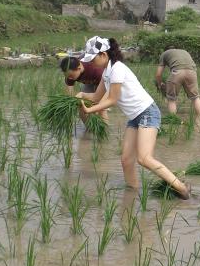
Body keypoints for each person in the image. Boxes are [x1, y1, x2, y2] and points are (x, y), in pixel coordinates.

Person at [77, 36, 190, 199]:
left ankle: (182, 188)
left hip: (147, 113)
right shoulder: (106, 73)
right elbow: (95, 96)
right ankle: (132, 195)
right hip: (135, 117)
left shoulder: (117, 69)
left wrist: (89, 111)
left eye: (92, 59)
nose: (90, 63)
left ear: (103, 55)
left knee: (144, 158)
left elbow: (112, 100)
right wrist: (80, 96)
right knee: (126, 160)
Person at [154, 48, 200, 127]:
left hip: (177, 73)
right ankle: (198, 122)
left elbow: (158, 75)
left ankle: (174, 122)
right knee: (195, 97)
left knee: (171, 99)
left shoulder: (164, 54)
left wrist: (160, 84)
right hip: (192, 72)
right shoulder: (185, 51)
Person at [59, 52, 109, 122]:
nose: (69, 78)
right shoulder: (69, 73)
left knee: (101, 107)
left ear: (79, 68)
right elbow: (70, 94)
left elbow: (102, 95)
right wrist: (72, 103)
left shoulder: (96, 70)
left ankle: (104, 131)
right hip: (89, 83)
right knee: (82, 105)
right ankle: (89, 129)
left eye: (71, 76)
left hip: (103, 81)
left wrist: (96, 104)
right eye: (67, 76)